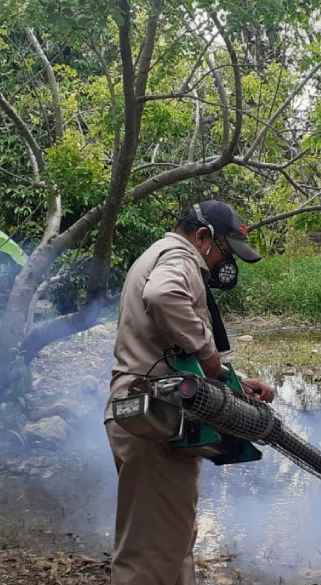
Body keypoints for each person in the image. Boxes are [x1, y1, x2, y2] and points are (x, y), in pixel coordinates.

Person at [104, 201, 275, 585]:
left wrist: (236, 380)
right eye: (224, 253)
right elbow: (164, 296)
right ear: (203, 237)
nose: (221, 265)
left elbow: (176, 353)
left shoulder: (162, 255)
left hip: (159, 417)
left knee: (172, 543)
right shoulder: (178, 258)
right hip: (152, 418)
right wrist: (211, 359)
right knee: (150, 556)